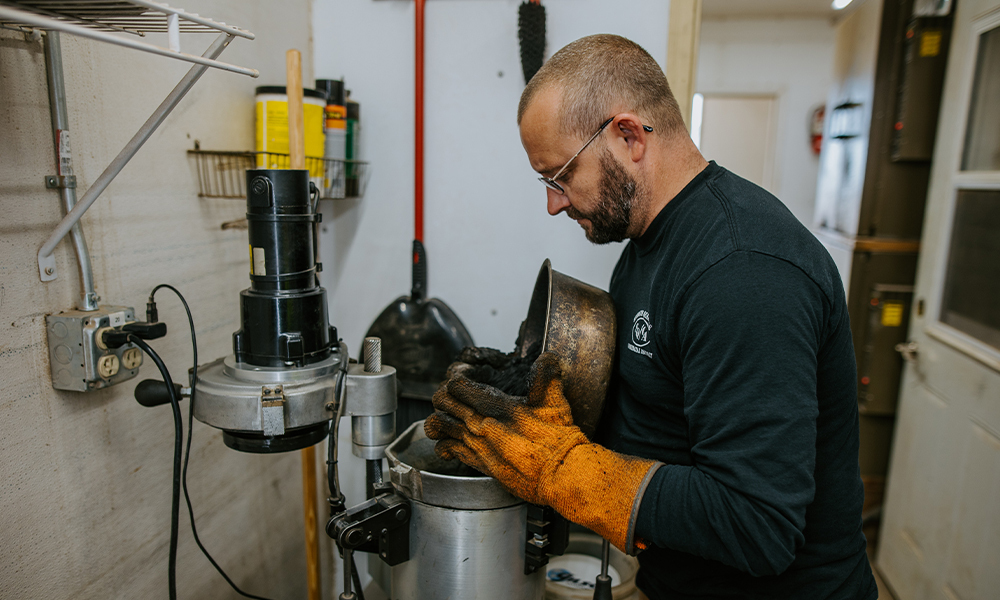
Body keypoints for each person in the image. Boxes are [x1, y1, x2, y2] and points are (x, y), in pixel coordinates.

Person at [424, 34, 877, 600]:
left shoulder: (742, 272)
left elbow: (757, 526)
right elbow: (656, 417)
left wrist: (562, 470)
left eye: (560, 175)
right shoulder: (646, 243)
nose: (554, 202)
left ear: (629, 135)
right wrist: (525, 393)